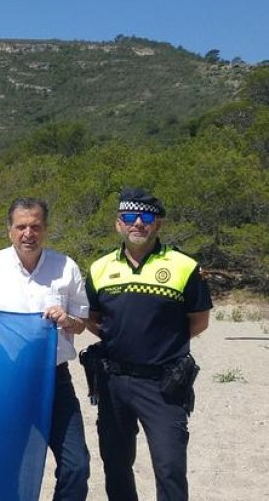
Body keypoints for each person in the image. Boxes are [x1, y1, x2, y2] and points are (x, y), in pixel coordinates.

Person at [0, 198, 90, 501]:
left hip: (54, 380)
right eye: (21, 227)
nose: (28, 233)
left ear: (45, 230)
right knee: (5, 465)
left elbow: (82, 323)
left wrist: (68, 320)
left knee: (77, 465)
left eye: (35, 226)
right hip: (3, 380)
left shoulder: (66, 267)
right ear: (9, 230)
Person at [85, 188, 211, 501]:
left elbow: (199, 321)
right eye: (129, 216)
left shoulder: (184, 266)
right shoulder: (99, 269)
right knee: (115, 464)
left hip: (163, 384)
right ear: (118, 224)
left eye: (146, 217)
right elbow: (93, 319)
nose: (137, 223)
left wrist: (160, 346)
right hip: (112, 381)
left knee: (169, 467)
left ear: (158, 224)